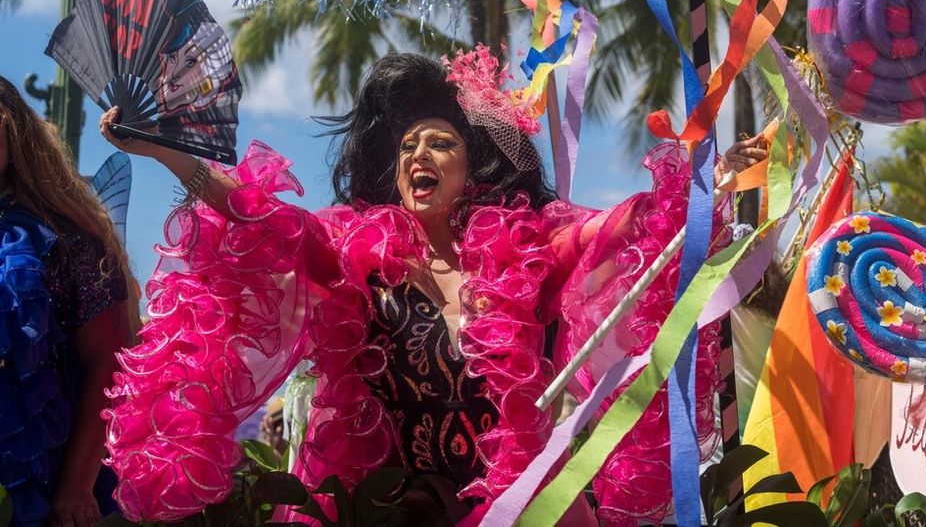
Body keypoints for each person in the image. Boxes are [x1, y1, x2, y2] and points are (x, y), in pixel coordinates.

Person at [99, 49, 768, 525]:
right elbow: (259, 215)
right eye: (407, 147)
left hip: (516, 504)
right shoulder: (356, 254)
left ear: (470, 169)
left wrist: (704, 188)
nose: (419, 154)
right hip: (390, 504)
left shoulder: (528, 250)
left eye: (440, 143)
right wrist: (168, 154)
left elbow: (620, 228)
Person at [0, 77, 139, 526]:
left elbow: (110, 359)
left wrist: (77, 485)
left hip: (34, 483)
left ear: (12, 134)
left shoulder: (66, 239)